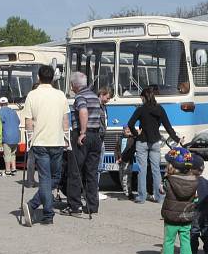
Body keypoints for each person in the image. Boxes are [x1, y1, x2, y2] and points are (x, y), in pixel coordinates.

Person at [20, 65, 70, 227]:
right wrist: (67, 138)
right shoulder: (60, 95)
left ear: (38, 77)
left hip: (39, 142)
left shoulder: (32, 95)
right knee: (54, 178)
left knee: (45, 179)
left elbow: (28, 122)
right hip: (57, 141)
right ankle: (46, 212)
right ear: (53, 78)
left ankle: (34, 205)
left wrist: (29, 141)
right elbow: (65, 120)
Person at [127, 86, 182, 204]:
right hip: (155, 142)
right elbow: (168, 127)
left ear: (144, 97)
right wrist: (177, 139)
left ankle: (142, 197)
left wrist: (136, 133)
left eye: (141, 98)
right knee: (156, 170)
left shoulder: (140, 109)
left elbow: (130, 124)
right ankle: (159, 197)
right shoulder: (160, 109)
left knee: (142, 169)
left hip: (142, 142)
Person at [62, 72, 104, 217]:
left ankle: (75, 206)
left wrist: (82, 132)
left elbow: (83, 112)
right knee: (91, 172)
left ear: (74, 85)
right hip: (96, 136)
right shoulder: (94, 96)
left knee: (75, 171)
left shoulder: (80, 97)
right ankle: (92, 205)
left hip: (83, 135)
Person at [159, 147, 198, 254]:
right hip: (186, 216)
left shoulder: (168, 181)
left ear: (172, 166)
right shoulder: (194, 181)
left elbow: (161, 190)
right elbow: (196, 198)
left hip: (171, 217)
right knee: (185, 240)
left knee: (169, 240)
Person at [190, 155, 208, 254]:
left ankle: (193, 253)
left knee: (194, 233)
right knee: (206, 233)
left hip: (194, 212)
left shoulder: (190, 182)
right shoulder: (206, 182)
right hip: (206, 212)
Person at [0, 97, 21, 177]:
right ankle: (14, 169)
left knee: (7, 154)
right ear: (7, 103)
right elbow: (18, 122)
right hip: (16, 136)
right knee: (13, 154)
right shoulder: (13, 111)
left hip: (7, 136)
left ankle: (7, 170)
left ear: (0, 104)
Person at [114, 127, 136, 199]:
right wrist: (117, 158)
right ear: (123, 131)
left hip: (128, 161)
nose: (128, 131)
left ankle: (128, 193)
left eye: (129, 130)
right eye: (126, 129)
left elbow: (130, 151)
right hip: (120, 161)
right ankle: (125, 191)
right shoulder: (120, 139)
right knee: (121, 176)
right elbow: (116, 149)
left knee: (127, 177)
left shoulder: (132, 139)